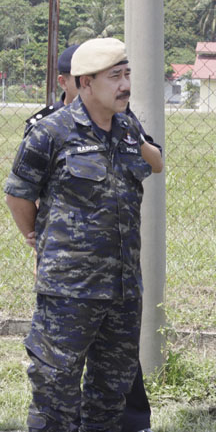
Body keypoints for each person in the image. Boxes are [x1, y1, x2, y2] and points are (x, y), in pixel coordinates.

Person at [5, 37, 163, 431]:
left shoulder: (129, 128)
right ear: (85, 83)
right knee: (55, 393)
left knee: (111, 396)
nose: (125, 85)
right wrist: (34, 237)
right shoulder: (50, 133)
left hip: (123, 290)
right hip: (69, 292)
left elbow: (156, 164)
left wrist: (137, 138)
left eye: (127, 74)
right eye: (115, 77)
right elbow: (18, 195)